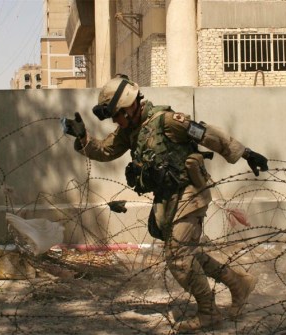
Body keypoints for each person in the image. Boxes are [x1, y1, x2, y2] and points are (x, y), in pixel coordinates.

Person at [62, 74, 269, 332]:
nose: (116, 120)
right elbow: (105, 150)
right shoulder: (129, 131)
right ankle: (238, 283)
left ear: (130, 106)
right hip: (166, 198)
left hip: (191, 192)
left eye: (117, 114)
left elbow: (207, 135)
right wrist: (83, 138)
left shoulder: (168, 121)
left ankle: (209, 312)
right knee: (185, 253)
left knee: (179, 258)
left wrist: (246, 154)